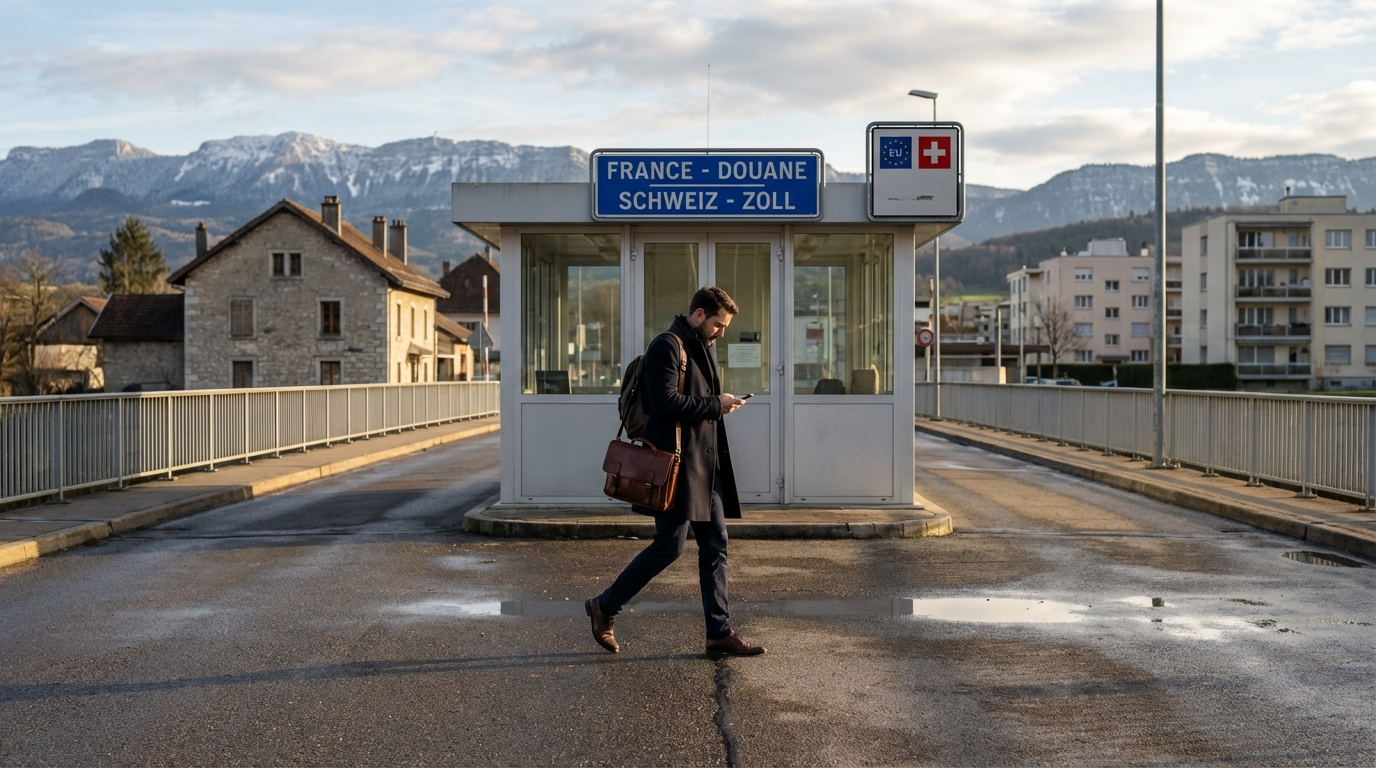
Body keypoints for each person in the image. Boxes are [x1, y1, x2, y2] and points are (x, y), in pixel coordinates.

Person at [585, 286, 766, 658]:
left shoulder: (705, 346)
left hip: (705, 468)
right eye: (718, 324)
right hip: (678, 469)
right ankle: (604, 606)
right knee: (669, 546)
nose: (721, 333)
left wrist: (720, 404)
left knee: (715, 547)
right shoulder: (666, 346)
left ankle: (719, 633)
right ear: (699, 315)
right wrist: (716, 404)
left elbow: (698, 400)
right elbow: (665, 402)